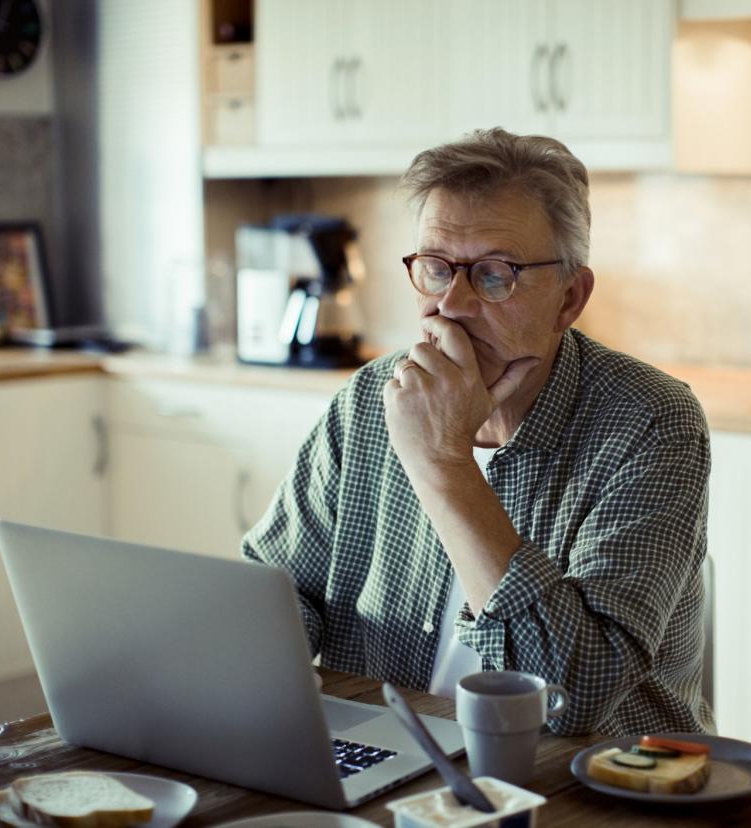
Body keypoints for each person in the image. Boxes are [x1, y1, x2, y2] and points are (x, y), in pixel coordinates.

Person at [243, 128, 712, 736]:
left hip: (589, 787)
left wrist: (442, 462)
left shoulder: (650, 421)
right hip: (396, 756)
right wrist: (254, 659)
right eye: (437, 269)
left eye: (495, 274)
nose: (453, 305)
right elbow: (278, 590)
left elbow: (571, 698)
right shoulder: (368, 400)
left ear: (569, 298)